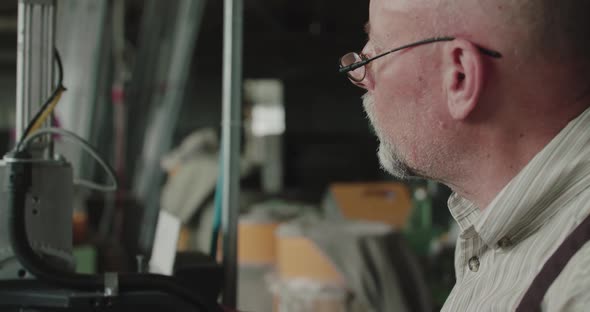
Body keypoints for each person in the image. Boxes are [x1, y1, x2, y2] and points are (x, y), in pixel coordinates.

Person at [339, 0, 590, 311]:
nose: (363, 77)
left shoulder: (578, 288)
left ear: (459, 77)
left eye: (374, 53)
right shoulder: (497, 229)